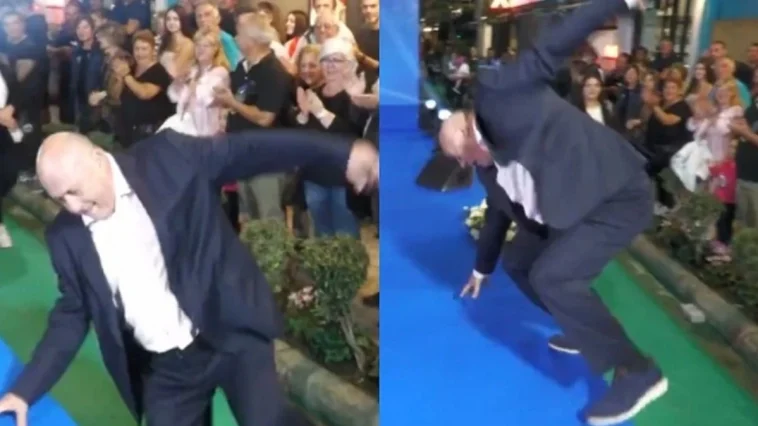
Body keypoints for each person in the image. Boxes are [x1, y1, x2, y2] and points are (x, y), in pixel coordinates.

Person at [0, 129, 378, 426]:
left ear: (97, 159)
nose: (72, 206)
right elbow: (71, 314)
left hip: (230, 331)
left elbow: (252, 149)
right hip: (167, 369)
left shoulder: (168, 158)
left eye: (74, 191)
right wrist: (25, 391)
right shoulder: (65, 236)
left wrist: (342, 153)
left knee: (268, 420)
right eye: (59, 198)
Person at [438, 1, 667, 425]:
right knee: (518, 262)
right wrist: (482, 268)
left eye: (460, 152)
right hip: (565, 208)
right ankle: (583, 329)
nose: (463, 163)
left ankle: (638, 371)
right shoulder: (486, 168)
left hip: (615, 193)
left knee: (553, 276)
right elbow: (498, 214)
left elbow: (553, 44)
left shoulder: (501, 95)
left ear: (470, 128)